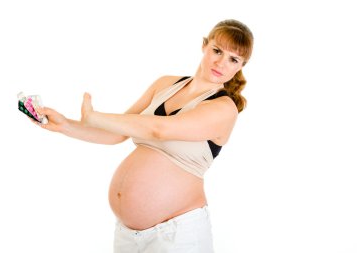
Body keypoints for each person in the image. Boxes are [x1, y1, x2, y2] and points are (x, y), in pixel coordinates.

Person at [35, 19, 253, 253]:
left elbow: (159, 129)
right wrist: (65, 125)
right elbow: (117, 134)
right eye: (217, 51)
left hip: (178, 234)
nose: (221, 63)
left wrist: (95, 116)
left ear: (240, 66)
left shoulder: (224, 108)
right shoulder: (166, 84)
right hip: (129, 235)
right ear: (204, 46)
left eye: (233, 59)